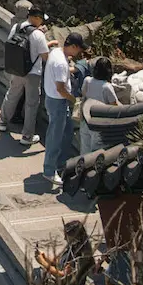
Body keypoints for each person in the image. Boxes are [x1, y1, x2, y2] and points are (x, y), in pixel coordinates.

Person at [0, 6, 54, 144]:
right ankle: (27, 136)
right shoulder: (38, 35)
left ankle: (2, 122)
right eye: (41, 19)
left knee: (11, 95)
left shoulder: (16, 27)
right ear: (35, 18)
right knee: (31, 104)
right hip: (32, 73)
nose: (42, 22)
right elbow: (45, 56)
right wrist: (50, 44)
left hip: (16, 69)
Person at [42, 33, 88, 186]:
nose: (79, 53)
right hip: (58, 101)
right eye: (79, 50)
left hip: (51, 97)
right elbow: (61, 89)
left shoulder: (55, 52)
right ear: (73, 47)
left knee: (67, 131)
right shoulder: (62, 64)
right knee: (55, 136)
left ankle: (61, 164)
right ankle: (49, 171)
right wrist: (75, 100)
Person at [34, 219, 95, 285]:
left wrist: (43, 263)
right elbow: (60, 262)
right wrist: (45, 257)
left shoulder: (80, 256)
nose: (64, 238)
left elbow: (61, 275)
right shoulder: (73, 247)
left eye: (67, 236)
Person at [78, 57, 121, 156]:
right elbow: (114, 106)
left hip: (85, 120)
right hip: (99, 125)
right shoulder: (107, 87)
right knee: (96, 155)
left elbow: (83, 95)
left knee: (84, 151)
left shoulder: (87, 80)